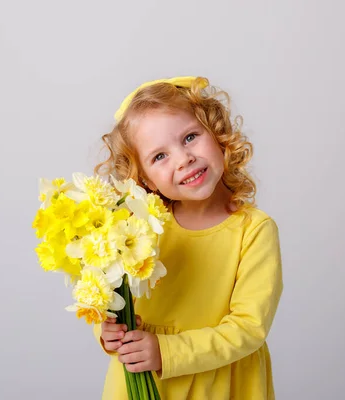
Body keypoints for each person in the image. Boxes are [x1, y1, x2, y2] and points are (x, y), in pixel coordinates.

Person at [93, 76, 283, 399]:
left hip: (220, 386)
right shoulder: (139, 228)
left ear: (218, 134)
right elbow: (116, 297)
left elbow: (248, 328)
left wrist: (166, 352)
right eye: (159, 157)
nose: (184, 159)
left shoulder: (254, 231)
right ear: (147, 180)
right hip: (144, 383)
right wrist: (109, 330)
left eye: (190, 137)